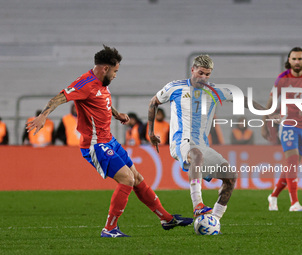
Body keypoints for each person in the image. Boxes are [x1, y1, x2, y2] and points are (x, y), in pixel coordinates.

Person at [26, 45, 193, 238]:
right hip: (95, 145)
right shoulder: (85, 83)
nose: (115, 75)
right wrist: (44, 115)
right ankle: (109, 228)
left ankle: (166, 218)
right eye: (115, 71)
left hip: (110, 140)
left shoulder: (101, 84)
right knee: (127, 179)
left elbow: (101, 101)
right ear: (105, 68)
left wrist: (116, 114)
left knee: (137, 178)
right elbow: (59, 98)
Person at [148, 54, 269, 224]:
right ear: (193, 70)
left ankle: (214, 220)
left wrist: (267, 112)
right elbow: (153, 102)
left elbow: (242, 99)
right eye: (200, 73)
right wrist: (151, 132)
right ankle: (198, 204)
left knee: (230, 177)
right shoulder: (174, 87)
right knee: (196, 154)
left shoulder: (214, 90)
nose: (203, 77)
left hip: (202, 145)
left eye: (207, 74)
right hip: (181, 141)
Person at [262, 47, 302, 212]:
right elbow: (270, 101)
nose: (297, 62)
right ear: (289, 61)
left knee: (293, 165)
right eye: (294, 59)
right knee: (291, 162)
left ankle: (274, 195)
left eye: (300, 59)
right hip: (288, 123)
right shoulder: (282, 78)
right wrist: (264, 123)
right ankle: (294, 203)